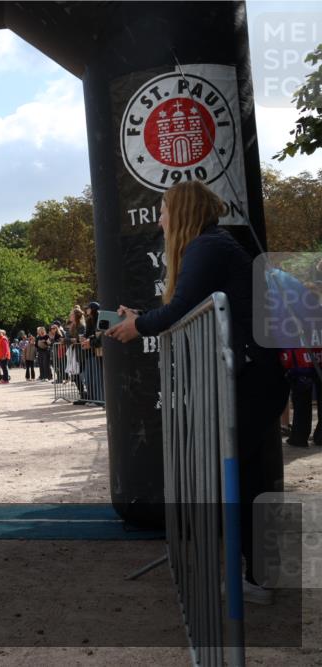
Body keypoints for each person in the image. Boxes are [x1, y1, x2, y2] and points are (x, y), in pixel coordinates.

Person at [106, 180, 287, 605]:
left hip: (252, 380)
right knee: (245, 476)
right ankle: (255, 573)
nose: (160, 218)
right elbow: (181, 306)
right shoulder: (212, 246)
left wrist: (139, 325)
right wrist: (144, 318)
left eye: (165, 209)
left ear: (182, 211)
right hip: (254, 378)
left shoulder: (206, 247)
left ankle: (256, 580)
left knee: (243, 479)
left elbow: (180, 307)